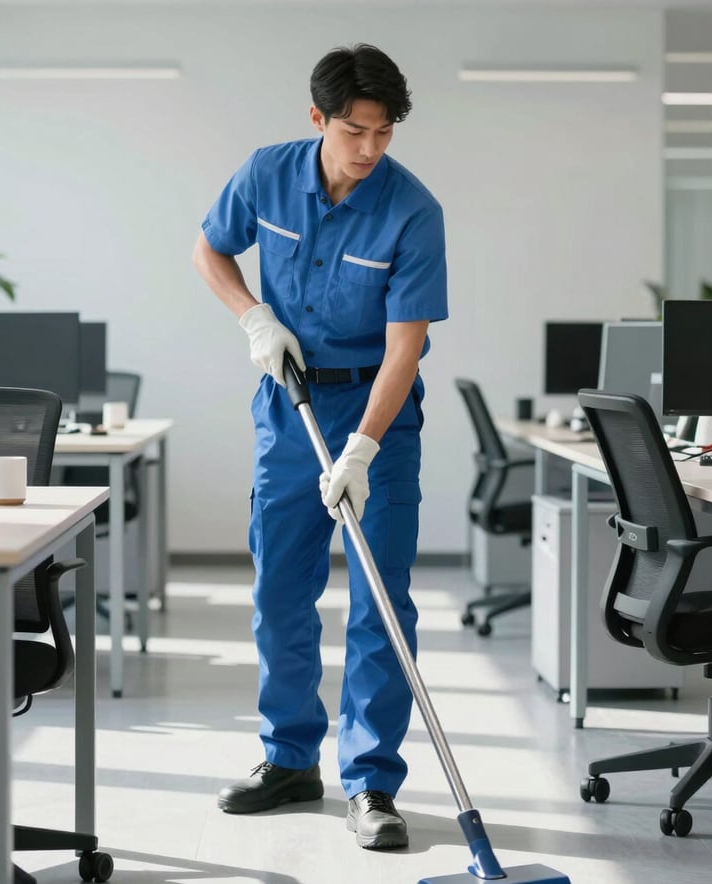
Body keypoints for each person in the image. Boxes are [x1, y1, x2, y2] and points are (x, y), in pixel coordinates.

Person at [192, 42, 448, 851]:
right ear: (317, 120)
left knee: (380, 600)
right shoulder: (267, 174)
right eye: (353, 131)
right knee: (280, 589)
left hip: (379, 410)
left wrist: (364, 450)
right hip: (289, 404)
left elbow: (405, 348)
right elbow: (211, 249)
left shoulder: (413, 210)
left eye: (384, 132)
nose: (370, 149)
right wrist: (253, 318)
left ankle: (371, 781)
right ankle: (290, 759)